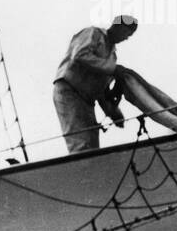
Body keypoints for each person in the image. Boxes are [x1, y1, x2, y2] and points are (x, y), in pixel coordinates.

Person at [52, 15, 137, 154]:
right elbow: (79, 55)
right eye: (127, 33)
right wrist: (113, 69)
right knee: (81, 144)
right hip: (69, 91)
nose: (126, 38)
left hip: (87, 100)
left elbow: (101, 91)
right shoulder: (93, 33)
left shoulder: (112, 56)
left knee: (92, 146)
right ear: (117, 26)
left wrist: (114, 113)